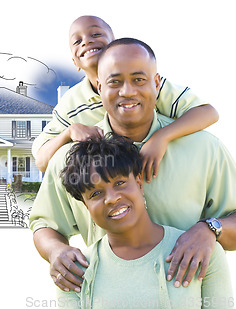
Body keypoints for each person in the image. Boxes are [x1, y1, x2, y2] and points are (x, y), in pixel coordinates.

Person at [29, 38, 236, 294]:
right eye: (115, 82)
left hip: (188, 299)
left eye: (139, 79)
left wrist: (210, 229)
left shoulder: (205, 148)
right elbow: (44, 223)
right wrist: (56, 251)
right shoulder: (70, 159)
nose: (127, 91)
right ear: (98, 86)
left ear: (157, 83)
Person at [32, 15, 219, 184]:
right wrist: (69, 132)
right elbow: (41, 161)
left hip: (163, 174)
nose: (87, 41)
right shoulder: (71, 104)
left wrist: (161, 137)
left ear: (115, 44)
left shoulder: (146, 85)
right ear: (75, 62)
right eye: (77, 41)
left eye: (96, 34)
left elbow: (208, 113)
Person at [57, 134, 234, 309]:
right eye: (95, 194)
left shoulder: (200, 251)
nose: (111, 198)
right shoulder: (74, 272)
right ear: (86, 207)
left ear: (140, 184)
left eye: (119, 183)